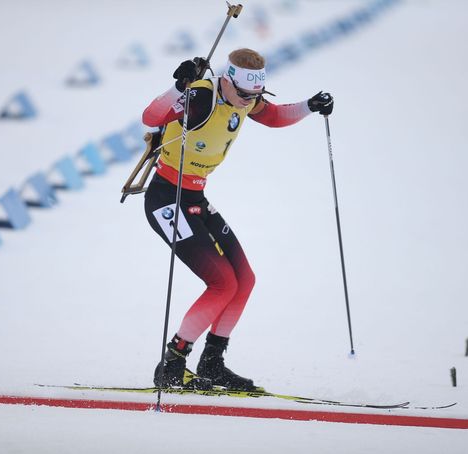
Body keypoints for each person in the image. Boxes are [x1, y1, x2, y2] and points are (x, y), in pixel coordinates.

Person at [142, 48, 333, 391]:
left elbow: (273, 116)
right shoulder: (201, 95)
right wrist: (178, 87)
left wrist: (310, 105)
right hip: (166, 198)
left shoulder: (246, 98)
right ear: (227, 80)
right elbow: (151, 117)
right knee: (222, 284)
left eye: (255, 95)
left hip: (195, 197)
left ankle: (213, 362)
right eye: (243, 95)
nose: (248, 103)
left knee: (244, 280)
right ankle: (172, 363)